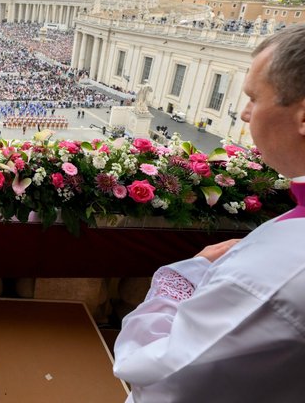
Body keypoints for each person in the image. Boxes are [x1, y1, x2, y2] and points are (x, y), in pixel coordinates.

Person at [113, 24, 305, 402]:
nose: (246, 114)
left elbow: (151, 372)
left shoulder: (280, 270)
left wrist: (186, 275)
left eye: (254, 98)